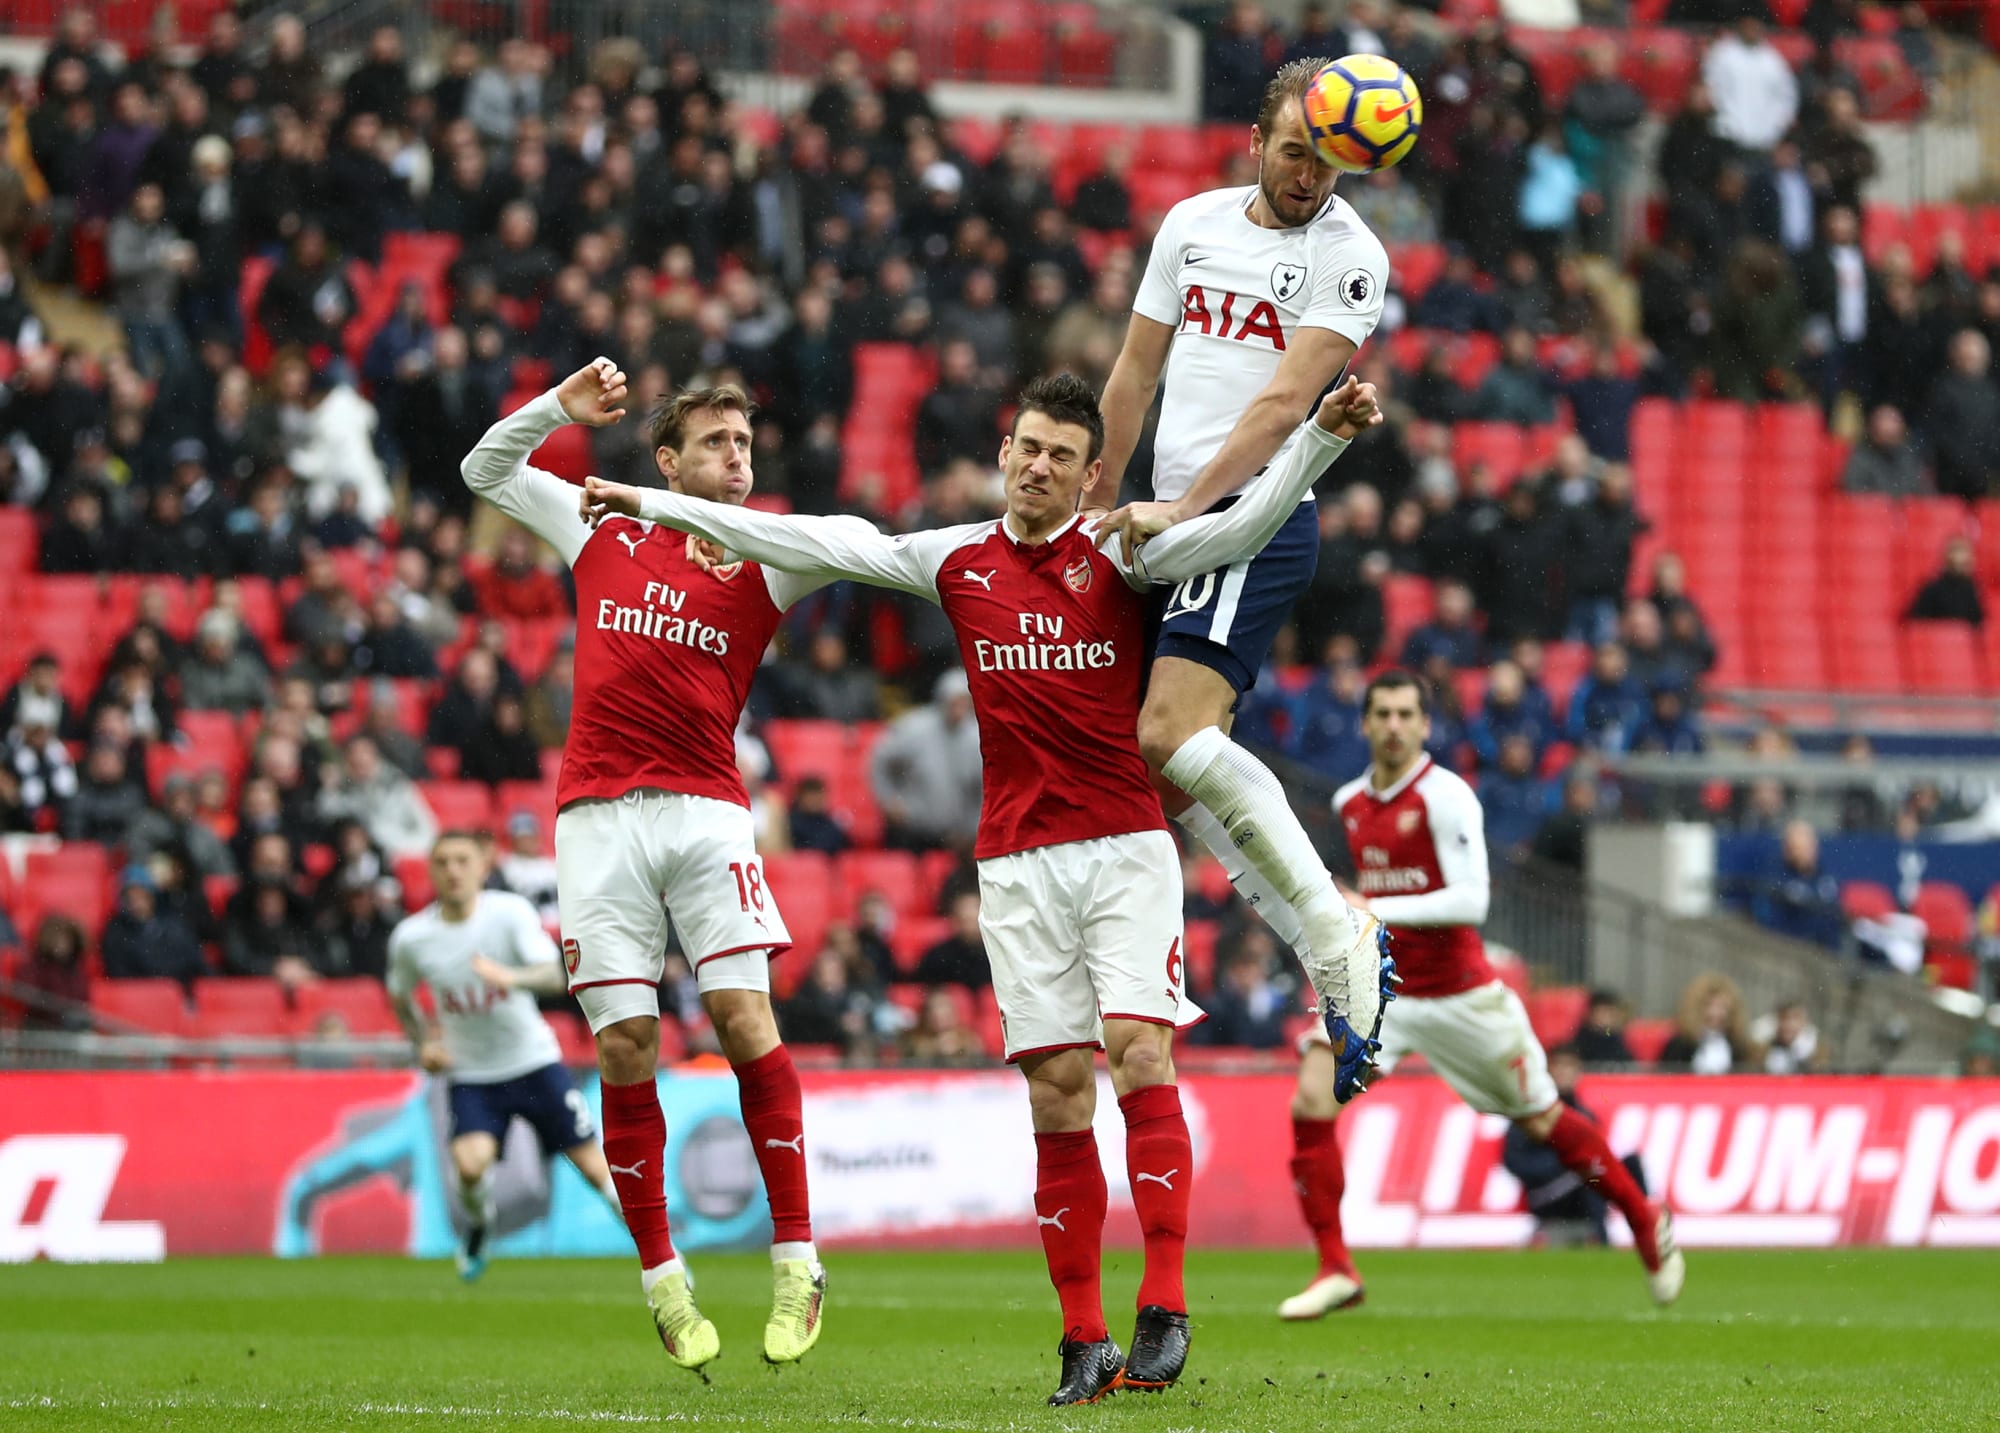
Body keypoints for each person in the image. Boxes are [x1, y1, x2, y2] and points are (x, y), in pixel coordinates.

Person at [584, 372, 1385, 1404]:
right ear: (1004, 452)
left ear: (1090, 471)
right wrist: (646, 501)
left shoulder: (1123, 547)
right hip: (1012, 862)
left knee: (1140, 1053)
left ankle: (1167, 1303)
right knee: (1054, 1092)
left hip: (1122, 847)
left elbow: (1243, 531)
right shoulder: (954, 557)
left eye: (1059, 452)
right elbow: (815, 540)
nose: (1036, 464)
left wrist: (1315, 439)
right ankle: (1081, 1337)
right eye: (1024, 445)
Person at [460, 361, 835, 1372]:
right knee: (625, 1044)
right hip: (595, 821)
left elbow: (873, 552)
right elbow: (483, 468)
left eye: (745, 444)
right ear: (667, 460)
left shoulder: (771, 553)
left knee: (744, 1018)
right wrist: (555, 411)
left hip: (709, 811)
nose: (736, 457)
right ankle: (662, 1278)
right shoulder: (601, 527)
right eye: (715, 442)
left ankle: (798, 1258)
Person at [1088, 58, 1397, 1105]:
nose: (1309, 174)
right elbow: (1133, 373)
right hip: (1168, 520)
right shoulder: (1191, 224)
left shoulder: (1350, 258)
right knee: (1164, 771)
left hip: (1251, 520)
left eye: (1328, 158)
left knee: (1166, 734)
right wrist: (1098, 494)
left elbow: (1277, 408)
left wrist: (1185, 509)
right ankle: (1326, 943)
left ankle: (1335, 924)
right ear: (1257, 142)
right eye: (1294, 150)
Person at [1280, 671, 1682, 1323]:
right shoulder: (1352, 802)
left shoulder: (1446, 796)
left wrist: (1372, 905)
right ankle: (1335, 1266)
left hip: (1465, 996)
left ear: (1425, 723)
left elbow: (1474, 900)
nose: (1392, 725)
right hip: (1387, 990)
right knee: (1310, 1095)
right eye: (1380, 713)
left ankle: (1643, 1219)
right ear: (1364, 723)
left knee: (1543, 1119)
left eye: (1406, 713)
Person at [386, 832, 623, 1281]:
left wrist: (507, 977)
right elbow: (399, 996)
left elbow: (554, 975)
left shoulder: (508, 914)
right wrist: (423, 1044)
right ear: (430, 871)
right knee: (470, 1166)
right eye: (442, 862)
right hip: (473, 1074)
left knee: (597, 1172)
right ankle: (480, 1225)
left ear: (482, 866)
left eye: (462, 860)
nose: (453, 870)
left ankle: (663, 1260)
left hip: (534, 1064)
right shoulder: (412, 938)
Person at [868, 668, 981, 851]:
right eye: (955, 701)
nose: (959, 708)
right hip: (912, 830)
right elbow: (880, 761)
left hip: (956, 836)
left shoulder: (976, 737)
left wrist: (973, 827)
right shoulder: (914, 728)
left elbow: (981, 788)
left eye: (964, 702)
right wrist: (888, 800)